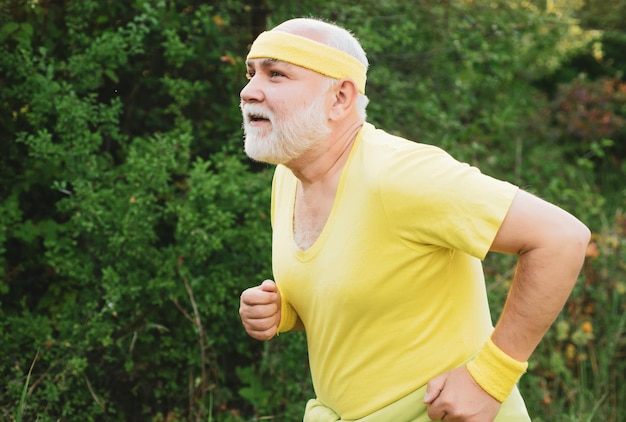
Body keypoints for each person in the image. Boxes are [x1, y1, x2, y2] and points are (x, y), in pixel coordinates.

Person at [238, 17, 590, 422]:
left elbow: (562, 238)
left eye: (276, 74)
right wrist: (285, 310)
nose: (249, 91)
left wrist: (490, 379)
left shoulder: (401, 174)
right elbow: (365, 288)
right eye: (250, 74)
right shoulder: (289, 179)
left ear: (340, 98)